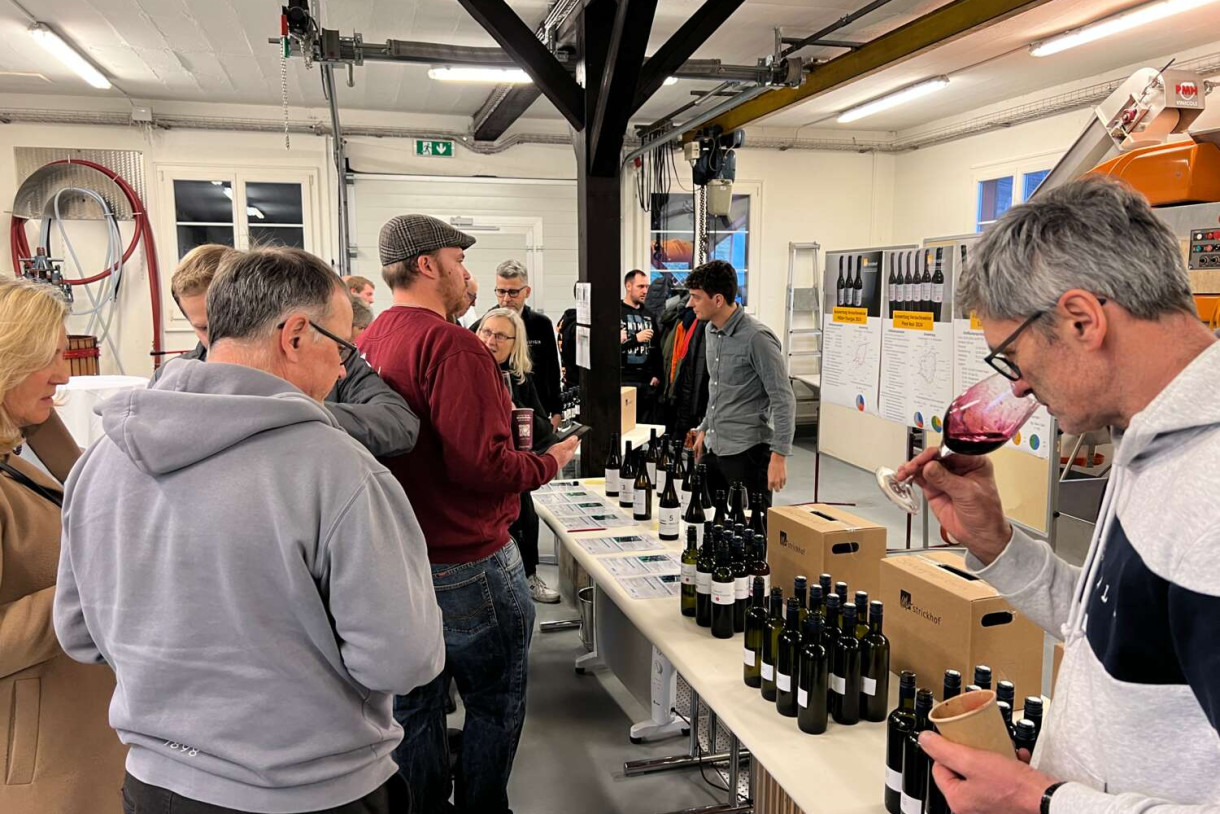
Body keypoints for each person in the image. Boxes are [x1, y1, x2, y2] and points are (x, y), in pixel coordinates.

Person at [54, 248, 444, 814]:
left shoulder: (100, 459)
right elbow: (402, 660)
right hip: (307, 791)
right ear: (294, 335)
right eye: (342, 348)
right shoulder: (338, 470)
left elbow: (78, 634)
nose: (343, 370)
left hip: (154, 784)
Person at [896, 177, 1220, 814]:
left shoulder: (1209, 490)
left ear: (1081, 320)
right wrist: (997, 544)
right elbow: (1118, 632)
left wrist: (1041, 799)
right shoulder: (1150, 441)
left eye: (1011, 356)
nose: (1017, 388)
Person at [358, 215, 579, 814]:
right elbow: (483, 467)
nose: (467, 275)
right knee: (494, 702)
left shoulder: (371, 339)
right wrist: (550, 461)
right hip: (469, 560)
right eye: (459, 260)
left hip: (400, 557)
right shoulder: (453, 346)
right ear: (427, 265)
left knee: (415, 706)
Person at [0, 279, 127, 814]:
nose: (63, 375)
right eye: (46, 357)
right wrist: (94, 587)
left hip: (80, 731)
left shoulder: (28, 445)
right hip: (40, 757)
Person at [159, 244, 419, 459]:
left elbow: (398, 423)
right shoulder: (171, 384)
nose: (226, 333)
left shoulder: (336, 357)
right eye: (205, 327)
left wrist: (293, 413)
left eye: (233, 317)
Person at [688, 260, 794, 506]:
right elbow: (718, 389)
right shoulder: (710, 331)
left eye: (696, 297)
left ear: (718, 300)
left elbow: (784, 399)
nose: (690, 304)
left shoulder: (757, 338)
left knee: (750, 525)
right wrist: (704, 428)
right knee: (707, 519)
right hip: (715, 447)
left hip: (748, 453)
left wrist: (779, 456)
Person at [477, 306, 561, 604]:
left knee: (526, 516)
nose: (491, 340)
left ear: (515, 343)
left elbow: (544, 431)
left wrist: (517, 412)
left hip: (515, 469)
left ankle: (529, 576)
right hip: (482, 471)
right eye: (487, 332)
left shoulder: (520, 379)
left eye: (501, 336)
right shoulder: (468, 373)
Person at [473, 260, 563, 427]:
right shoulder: (481, 326)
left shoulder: (541, 325)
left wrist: (557, 411)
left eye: (513, 292)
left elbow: (552, 371)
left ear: (527, 292)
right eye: (501, 292)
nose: (506, 299)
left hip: (538, 413)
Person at [621, 269, 662, 422]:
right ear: (628, 286)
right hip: (623, 379)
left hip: (646, 381)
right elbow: (608, 350)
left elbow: (657, 347)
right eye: (640, 286)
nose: (645, 291)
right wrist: (635, 339)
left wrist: (657, 374)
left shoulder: (649, 315)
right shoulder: (616, 313)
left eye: (647, 287)